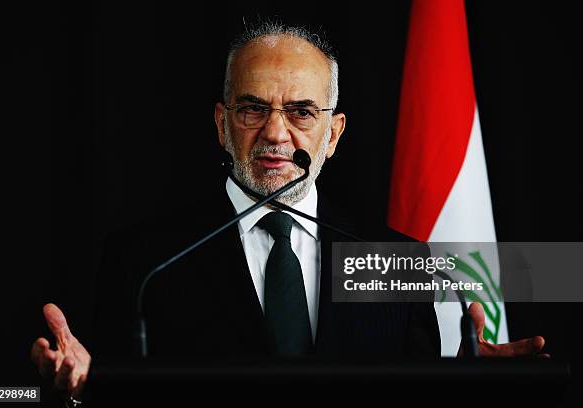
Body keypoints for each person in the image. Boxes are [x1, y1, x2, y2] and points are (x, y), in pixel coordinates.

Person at [30, 22, 547, 403]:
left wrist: (459, 389)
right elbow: (109, 393)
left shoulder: (395, 260)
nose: (276, 134)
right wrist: (78, 394)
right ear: (221, 124)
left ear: (334, 133)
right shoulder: (144, 262)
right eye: (253, 108)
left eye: (301, 112)